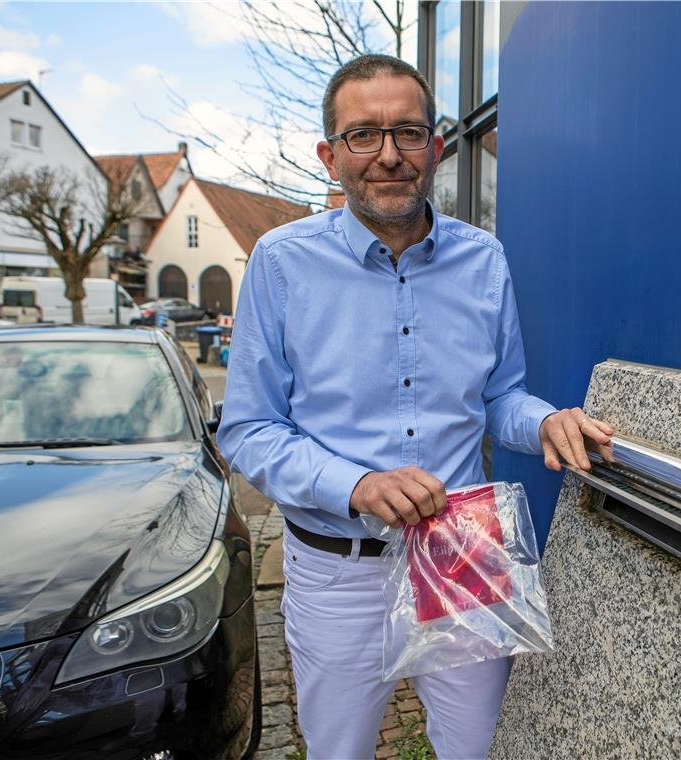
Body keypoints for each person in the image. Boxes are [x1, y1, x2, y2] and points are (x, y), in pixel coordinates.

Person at [217, 54, 614, 760]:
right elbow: (249, 429)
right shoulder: (280, 262)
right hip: (338, 567)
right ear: (330, 154)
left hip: (463, 553)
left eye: (407, 132)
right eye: (364, 135)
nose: (389, 155)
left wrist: (547, 420)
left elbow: (499, 399)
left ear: (436, 146)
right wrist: (359, 485)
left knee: (481, 748)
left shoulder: (484, 258)